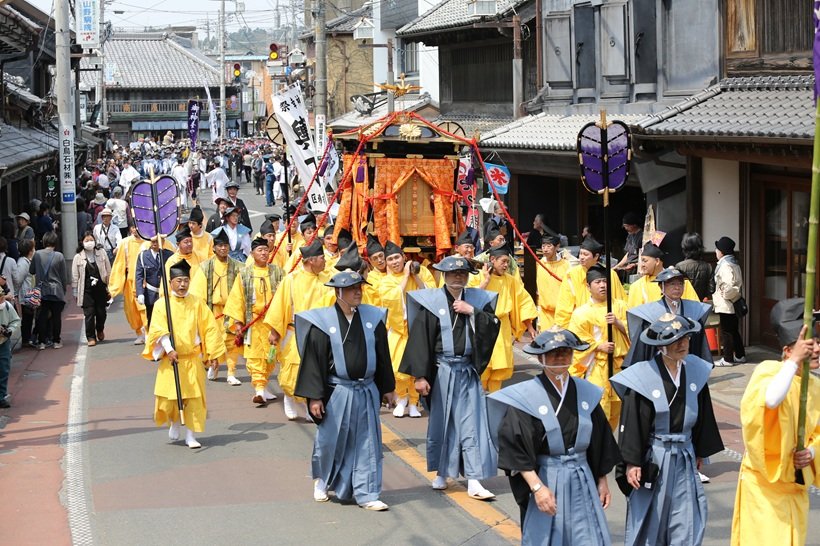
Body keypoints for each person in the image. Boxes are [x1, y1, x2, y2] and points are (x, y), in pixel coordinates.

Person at [488, 327, 620, 544]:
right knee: (547, 537)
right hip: (546, 476)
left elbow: (600, 440)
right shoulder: (526, 397)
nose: (560, 357)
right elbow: (515, 446)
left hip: (582, 475)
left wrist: (602, 480)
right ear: (541, 357)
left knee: (586, 536)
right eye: (553, 352)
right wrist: (537, 488)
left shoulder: (587, 392)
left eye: (566, 351)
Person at [611, 314, 724, 546]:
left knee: (686, 517)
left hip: (685, 453)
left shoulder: (696, 370)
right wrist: (632, 462)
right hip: (656, 454)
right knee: (653, 517)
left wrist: (701, 451)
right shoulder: (642, 376)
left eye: (686, 338)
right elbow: (633, 421)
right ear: (661, 345)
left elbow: (704, 414)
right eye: (675, 340)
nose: (682, 344)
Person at [399, 255, 501, 499]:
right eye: (453, 273)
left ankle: (474, 479)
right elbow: (420, 339)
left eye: (463, 273)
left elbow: (493, 325)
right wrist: (420, 376)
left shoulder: (477, 299)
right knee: (443, 422)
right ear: (443, 275)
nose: (458, 277)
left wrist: (473, 312)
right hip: (441, 369)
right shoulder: (432, 302)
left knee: (473, 423)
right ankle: (442, 472)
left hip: (466, 370)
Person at [295, 270, 397, 510]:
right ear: (338, 292)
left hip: (367, 388)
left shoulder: (373, 317)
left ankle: (367, 492)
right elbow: (314, 361)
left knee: (368, 442)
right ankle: (322, 480)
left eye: (360, 287)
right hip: (337, 390)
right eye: (352, 288)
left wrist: (388, 387)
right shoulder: (323, 322)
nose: (358, 292)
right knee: (331, 439)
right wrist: (314, 397)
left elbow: (383, 355)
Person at [730, 298, 820, 546]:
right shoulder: (768, 371)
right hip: (764, 486)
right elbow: (770, 400)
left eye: (818, 344)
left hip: (794, 484)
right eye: (809, 345)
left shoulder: (814, 385)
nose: (817, 350)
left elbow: (819, 433)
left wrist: (811, 452)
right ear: (788, 351)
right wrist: (793, 363)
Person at [141, 259, 226, 449]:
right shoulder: (162, 304)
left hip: (192, 358)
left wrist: (212, 353)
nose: (182, 284)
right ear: (171, 282)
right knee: (169, 400)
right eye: (178, 281)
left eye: (186, 280)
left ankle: (190, 434)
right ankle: (173, 422)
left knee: (194, 400)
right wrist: (169, 349)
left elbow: (210, 328)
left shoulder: (197, 303)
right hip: (172, 360)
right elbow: (158, 329)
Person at [265, 239, 331, 419]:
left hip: (321, 333)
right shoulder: (292, 279)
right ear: (311, 261)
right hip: (295, 331)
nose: (325, 261)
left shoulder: (327, 278)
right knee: (293, 369)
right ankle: (289, 397)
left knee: (317, 369)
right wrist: (275, 332)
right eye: (321, 258)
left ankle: (311, 403)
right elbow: (280, 305)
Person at [567, 264, 629, 431]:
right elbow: (577, 340)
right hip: (596, 367)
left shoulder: (620, 306)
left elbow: (634, 331)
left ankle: (609, 445)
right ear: (588, 286)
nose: (602, 285)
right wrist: (598, 346)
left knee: (617, 409)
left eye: (605, 281)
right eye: (598, 282)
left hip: (618, 366)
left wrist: (618, 323)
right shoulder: (581, 312)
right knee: (599, 408)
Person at [225, 238, 285, 405]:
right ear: (252, 253)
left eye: (266, 250)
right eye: (260, 250)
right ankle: (259, 389)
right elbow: (237, 299)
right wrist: (238, 323)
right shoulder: (245, 274)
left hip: (273, 323)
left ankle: (263, 386)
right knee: (255, 357)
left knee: (270, 357)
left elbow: (286, 295)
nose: (264, 253)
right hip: (254, 322)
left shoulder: (278, 272)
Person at [379, 241, 436, 417]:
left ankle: (413, 402)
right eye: (390, 259)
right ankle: (401, 398)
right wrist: (404, 277)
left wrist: (414, 276)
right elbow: (391, 300)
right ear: (386, 263)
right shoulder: (386, 281)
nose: (395, 261)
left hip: (417, 328)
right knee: (397, 366)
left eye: (397, 257)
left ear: (404, 257)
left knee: (417, 366)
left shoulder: (421, 272)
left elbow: (431, 294)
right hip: (398, 328)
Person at [624, 267, 713, 368]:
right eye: (672, 284)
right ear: (661, 287)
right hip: (660, 364)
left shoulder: (693, 310)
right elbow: (643, 347)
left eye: (680, 283)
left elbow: (699, 344)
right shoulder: (650, 313)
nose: (677, 287)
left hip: (687, 361)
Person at [190, 229, 244, 385]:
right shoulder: (205, 267)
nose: (223, 249)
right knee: (213, 341)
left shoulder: (238, 266)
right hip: (212, 310)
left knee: (232, 341)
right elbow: (197, 292)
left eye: (226, 245)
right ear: (214, 248)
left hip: (231, 310)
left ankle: (231, 372)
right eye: (220, 246)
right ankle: (213, 365)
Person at [478, 247, 537, 393]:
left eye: (507, 262)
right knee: (482, 366)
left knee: (500, 367)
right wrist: (485, 281)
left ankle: (494, 396)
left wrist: (530, 327)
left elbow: (522, 301)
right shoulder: (477, 276)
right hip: (483, 325)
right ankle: (479, 398)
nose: (506, 266)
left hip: (502, 327)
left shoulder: (510, 280)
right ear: (492, 260)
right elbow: (471, 298)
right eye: (503, 262)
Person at [553, 238, 626, 328]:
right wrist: (563, 328)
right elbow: (564, 306)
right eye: (580, 254)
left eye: (586, 254)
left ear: (596, 257)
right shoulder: (572, 275)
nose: (581, 257)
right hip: (582, 323)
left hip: (608, 323)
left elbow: (621, 301)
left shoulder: (610, 274)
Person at [108, 221, 150, 344]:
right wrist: (114, 288)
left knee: (144, 309)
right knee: (131, 311)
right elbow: (119, 265)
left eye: (138, 227)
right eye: (133, 227)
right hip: (130, 282)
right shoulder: (125, 243)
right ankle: (139, 333)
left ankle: (148, 332)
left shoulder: (148, 242)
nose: (135, 230)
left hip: (146, 282)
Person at [626, 242, 699, 308]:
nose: (642, 265)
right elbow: (634, 316)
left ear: (657, 261)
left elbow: (695, 308)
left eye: (645, 261)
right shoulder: (637, 286)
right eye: (641, 261)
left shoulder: (681, 282)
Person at [71, 232, 111, 346]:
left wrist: (110, 285)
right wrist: (75, 291)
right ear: (82, 242)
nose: (89, 242)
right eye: (86, 240)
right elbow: (75, 275)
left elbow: (108, 269)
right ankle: (90, 337)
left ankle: (100, 329)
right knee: (89, 314)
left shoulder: (101, 253)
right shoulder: (78, 257)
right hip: (86, 290)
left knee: (101, 312)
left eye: (91, 240)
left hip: (100, 288)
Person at [31, 232, 69, 349]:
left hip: (42, 291)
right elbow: (64, 277)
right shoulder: (59, 256)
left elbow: (31, 271)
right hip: (57, 290)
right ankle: (56, 341)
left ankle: (42, 342)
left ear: (44, 241)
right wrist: (63, 291)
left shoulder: (37, 254)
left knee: (42, 316)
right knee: (56, 316)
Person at [713, 236, 746, 367]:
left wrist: (725, 294)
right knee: (733, 330)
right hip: (733, 302)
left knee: (727, 331)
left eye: (717, 249)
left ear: (722, 251)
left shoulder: (725, 265)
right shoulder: (733, 262)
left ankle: (727, 358)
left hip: (727, 304)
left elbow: (729, 286)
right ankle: (740, 355)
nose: (716, 251)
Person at [135, 236, 174, 327]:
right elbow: (139, 276)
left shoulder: (169, 255)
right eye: (152, 241)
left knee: (167, 320)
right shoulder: (143, 256)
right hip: (151, 294)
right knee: (152, 320)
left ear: (163, 241)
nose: (154, 244)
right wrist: (140, 293)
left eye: (157, 241)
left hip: (166, 293)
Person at [535, 235, 570, 331]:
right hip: (544, 311)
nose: (545, 249)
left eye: (549, 246)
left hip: (562, 312)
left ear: (557, 247)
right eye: (543, 246)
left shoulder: (566, 265)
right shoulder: (539, 264)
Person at [676, 232, 713, 302]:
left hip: (684, 304)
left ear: (684, 246)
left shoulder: (680, 266)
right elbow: (711, 289)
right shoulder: (708, 266)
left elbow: (676, 288)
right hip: (701, 304)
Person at [13, 240, 36, 347]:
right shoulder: (23, 263)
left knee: (29, 317)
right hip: (26, 294)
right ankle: (26, 340)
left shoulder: (26, 261)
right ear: (29, 251)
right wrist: (16, 294)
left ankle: (28, 338)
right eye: (33, 248)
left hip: (28, 293)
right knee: (27, 318)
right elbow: (18, 280)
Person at [0, 294, 21, 408]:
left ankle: (1, 396)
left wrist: (9, 330)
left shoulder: (7, 306)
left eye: (2, 297)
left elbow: (16, 321)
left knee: (4, 369)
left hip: (3, 342)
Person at [613, 211, 643, 280]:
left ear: (634, 225)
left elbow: (645, 257)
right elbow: (628, 254)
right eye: (624, 226)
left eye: (627, 226)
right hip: (628, 268)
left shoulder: (642, 237)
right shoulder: (630, 235)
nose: (625, 228)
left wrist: (635, 264)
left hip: (637, 269)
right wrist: (618, 266)